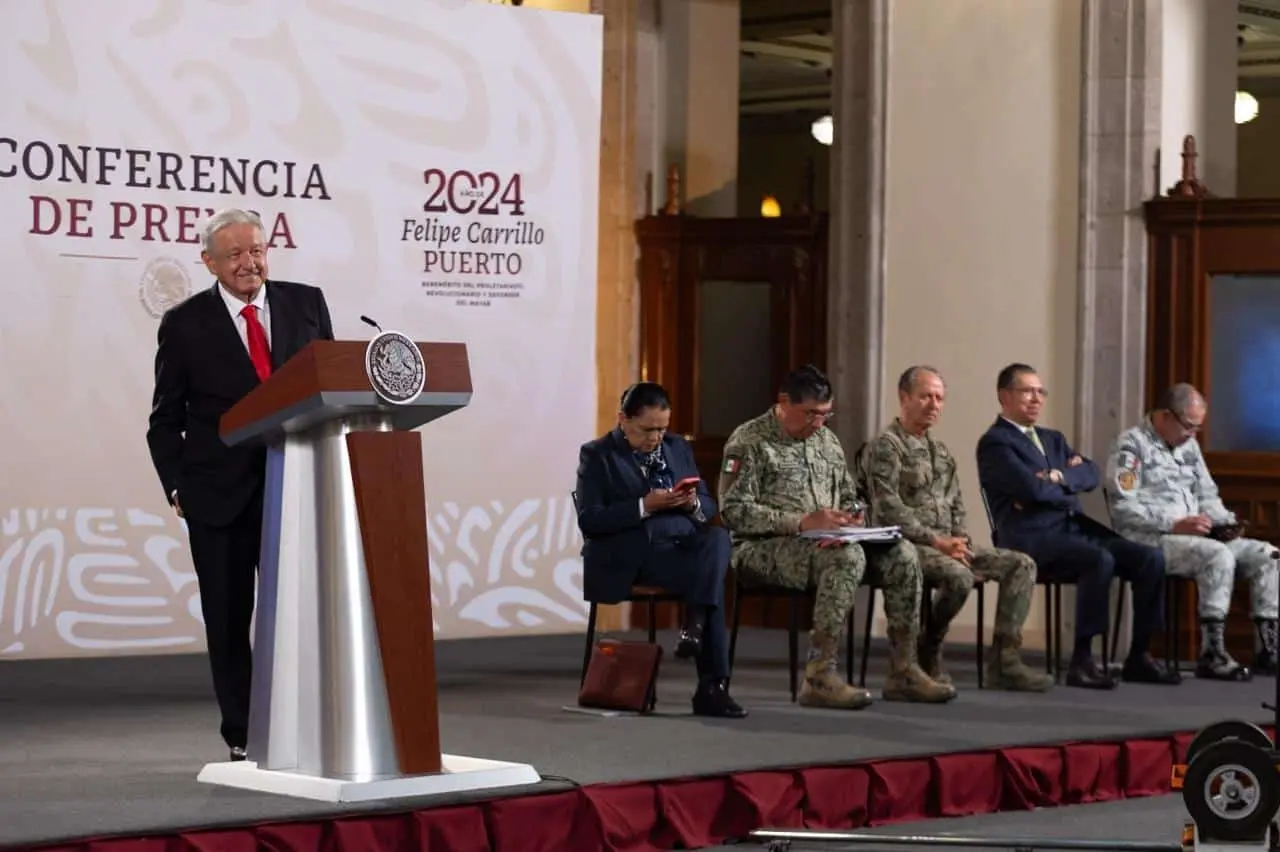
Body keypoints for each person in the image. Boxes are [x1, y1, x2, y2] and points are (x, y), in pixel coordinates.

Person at [146, 208, 335, 761]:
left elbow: (331, 385)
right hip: (217, 497)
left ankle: (309, 723)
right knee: (229, 621)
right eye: (236, 254)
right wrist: (177, 485)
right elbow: (165, 417)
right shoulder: (183, 324)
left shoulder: (307, 303)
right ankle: (243, 735)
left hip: (299, 486)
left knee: (303, 614)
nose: (250, 263)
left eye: (257, 250)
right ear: (209, 262)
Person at [719, 364, 955, 709]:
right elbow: (732, 511)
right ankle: (819, 676)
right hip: (763, 548)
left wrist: (853, 515)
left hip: (828, 540)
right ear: (783, 402)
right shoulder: (749, 441)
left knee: (902, 554)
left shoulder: (826, 441)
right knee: (846, 558)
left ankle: (905, 670)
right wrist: (801, 522)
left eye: (825, 415)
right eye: (810, 414)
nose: (818, 423)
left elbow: (848, 493)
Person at [976, 362, 1178, 690]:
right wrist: (1061, 484)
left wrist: (1057, 477)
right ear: (1004, 396)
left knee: (1149, 558)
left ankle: (1139, 655)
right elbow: (1030, 489)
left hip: (1073, 527)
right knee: (1097, 560)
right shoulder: (995, 443)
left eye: (1040, 391)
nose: (1036, 398)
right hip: (1030, 535)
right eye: (1027, 391)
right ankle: (1082, 660)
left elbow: (1091, 473)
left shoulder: (1052, 439)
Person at [861, 366, 1052, 691]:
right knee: (959, 576)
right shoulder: (885, 447)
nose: (934, 404)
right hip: (904, 546)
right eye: (925, 396)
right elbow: (887, 508)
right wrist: (937, 541)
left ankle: (1004, 663)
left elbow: (957, 504)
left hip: (947, 545)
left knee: (1021, 564)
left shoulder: (942, 453)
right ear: (904, 397)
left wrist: (960, 541)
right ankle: (930, 646)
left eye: (939, 398)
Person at [574, 382, 746, 718]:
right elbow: (590, 520)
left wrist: (692, 502)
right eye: (647, 429)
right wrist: (643, 505)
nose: (656, 437)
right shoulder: (597, 455)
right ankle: (712, 686)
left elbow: (709, 507)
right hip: (634, 553)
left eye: (662, 428)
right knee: (709, 581)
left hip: (682, 546)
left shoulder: (677, 447)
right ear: (623, 419)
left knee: (718, 539)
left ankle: (695, 627)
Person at [1106, 383, 1278, 680]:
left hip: (1196, 535)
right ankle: (1212, 652)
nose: (1193, 434)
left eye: (1198, 427)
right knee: (1217, 556)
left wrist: (1225, 522)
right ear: (1164, 416)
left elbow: (1207, 494)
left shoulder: (1189, 446)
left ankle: (1267, 648)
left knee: (1269, 555)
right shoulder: (1131, 445)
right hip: (1150, 540)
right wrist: (1173, 524)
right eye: (1189, 426)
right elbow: (1123, 507)